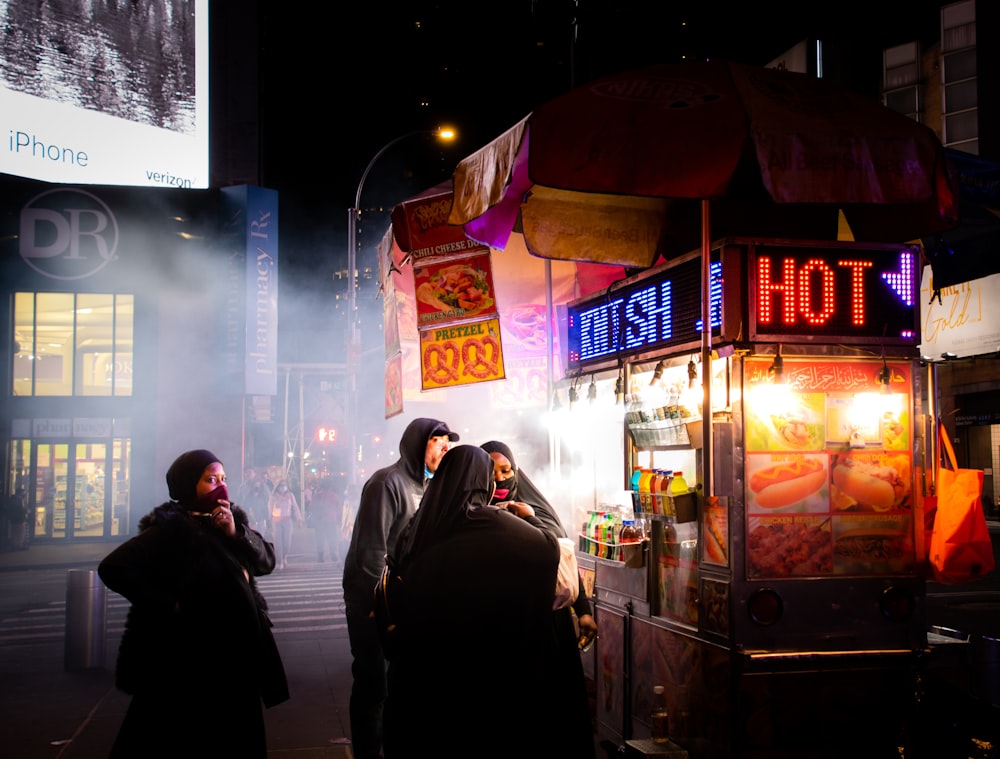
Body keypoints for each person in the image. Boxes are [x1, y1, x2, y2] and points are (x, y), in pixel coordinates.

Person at [97, 449, 288, 759]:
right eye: (210, 480)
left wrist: (236, 532)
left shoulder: (226, 523)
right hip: (194, 662)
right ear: (188, 485)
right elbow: (113, 568)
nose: (221, 487)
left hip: (238, 659)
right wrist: (168, 604)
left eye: (223, 479)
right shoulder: (171, 531)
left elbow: (267, 561)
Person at [383, 445, 563, 758]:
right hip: (478, 671)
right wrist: (532, 517)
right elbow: (548, 549)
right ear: (482, 482)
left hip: (421, 674)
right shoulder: (489, 522)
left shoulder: (416, 527)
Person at [342, 417, 458, 759]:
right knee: (373, 684)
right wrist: (380, 605)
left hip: (407, 602)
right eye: (436, 441)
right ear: (415, 444)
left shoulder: (433, 485)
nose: (444, 448)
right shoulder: (387, 483)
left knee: (403, 686)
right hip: (373, 600)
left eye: (447, 442)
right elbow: (370, 553)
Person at [482, 440, 598, 759]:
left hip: (550, 627)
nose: (500, 479)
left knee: (558, 711)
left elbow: (562, 560)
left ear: (516, 471)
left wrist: (583, 611)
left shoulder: (537, 509)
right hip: (505, 631)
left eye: (506, 470)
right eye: (490, 473)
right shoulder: (473, 513)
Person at [268, 478, 302, 570]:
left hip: (287, 521)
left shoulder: (290, 495)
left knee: (287, 541)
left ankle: (284, 556)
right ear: (277, 487)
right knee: (278, 542)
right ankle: (280, 561)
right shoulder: (273, 496)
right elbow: (270, 510)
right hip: (276, 521)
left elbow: (295, 507)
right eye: (281, 485)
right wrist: (269, 522)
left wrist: (299, 518)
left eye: (284, 485)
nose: (283, 487)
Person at [310, 478, 344, 564]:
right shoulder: (334, 496)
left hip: (319, 521)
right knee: (332, 538)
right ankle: (333, 554)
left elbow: (312, 508)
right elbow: (339, 509)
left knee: (320, 539)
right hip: (331, 520)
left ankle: (320, 556)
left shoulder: (317, 496)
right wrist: (340, 521)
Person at [239, 467, 272, 534]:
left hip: (260, 517)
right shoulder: (242, 487)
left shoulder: (262, 485)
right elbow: (240, 500)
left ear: (254, 473)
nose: (248, 474)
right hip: (247, 517)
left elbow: (268, 498)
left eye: (250, 472)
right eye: (247, 472)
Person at [7, 485, 28, 551]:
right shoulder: (19, 500)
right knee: (20, 533)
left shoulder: (12, 498)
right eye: (24, 493)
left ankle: (14, 545)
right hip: (19, 519)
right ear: (20, 493)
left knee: (14, 532)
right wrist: (26, 511)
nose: (25, 494)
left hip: (13, 519)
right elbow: (20, 509)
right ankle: (19, 546)